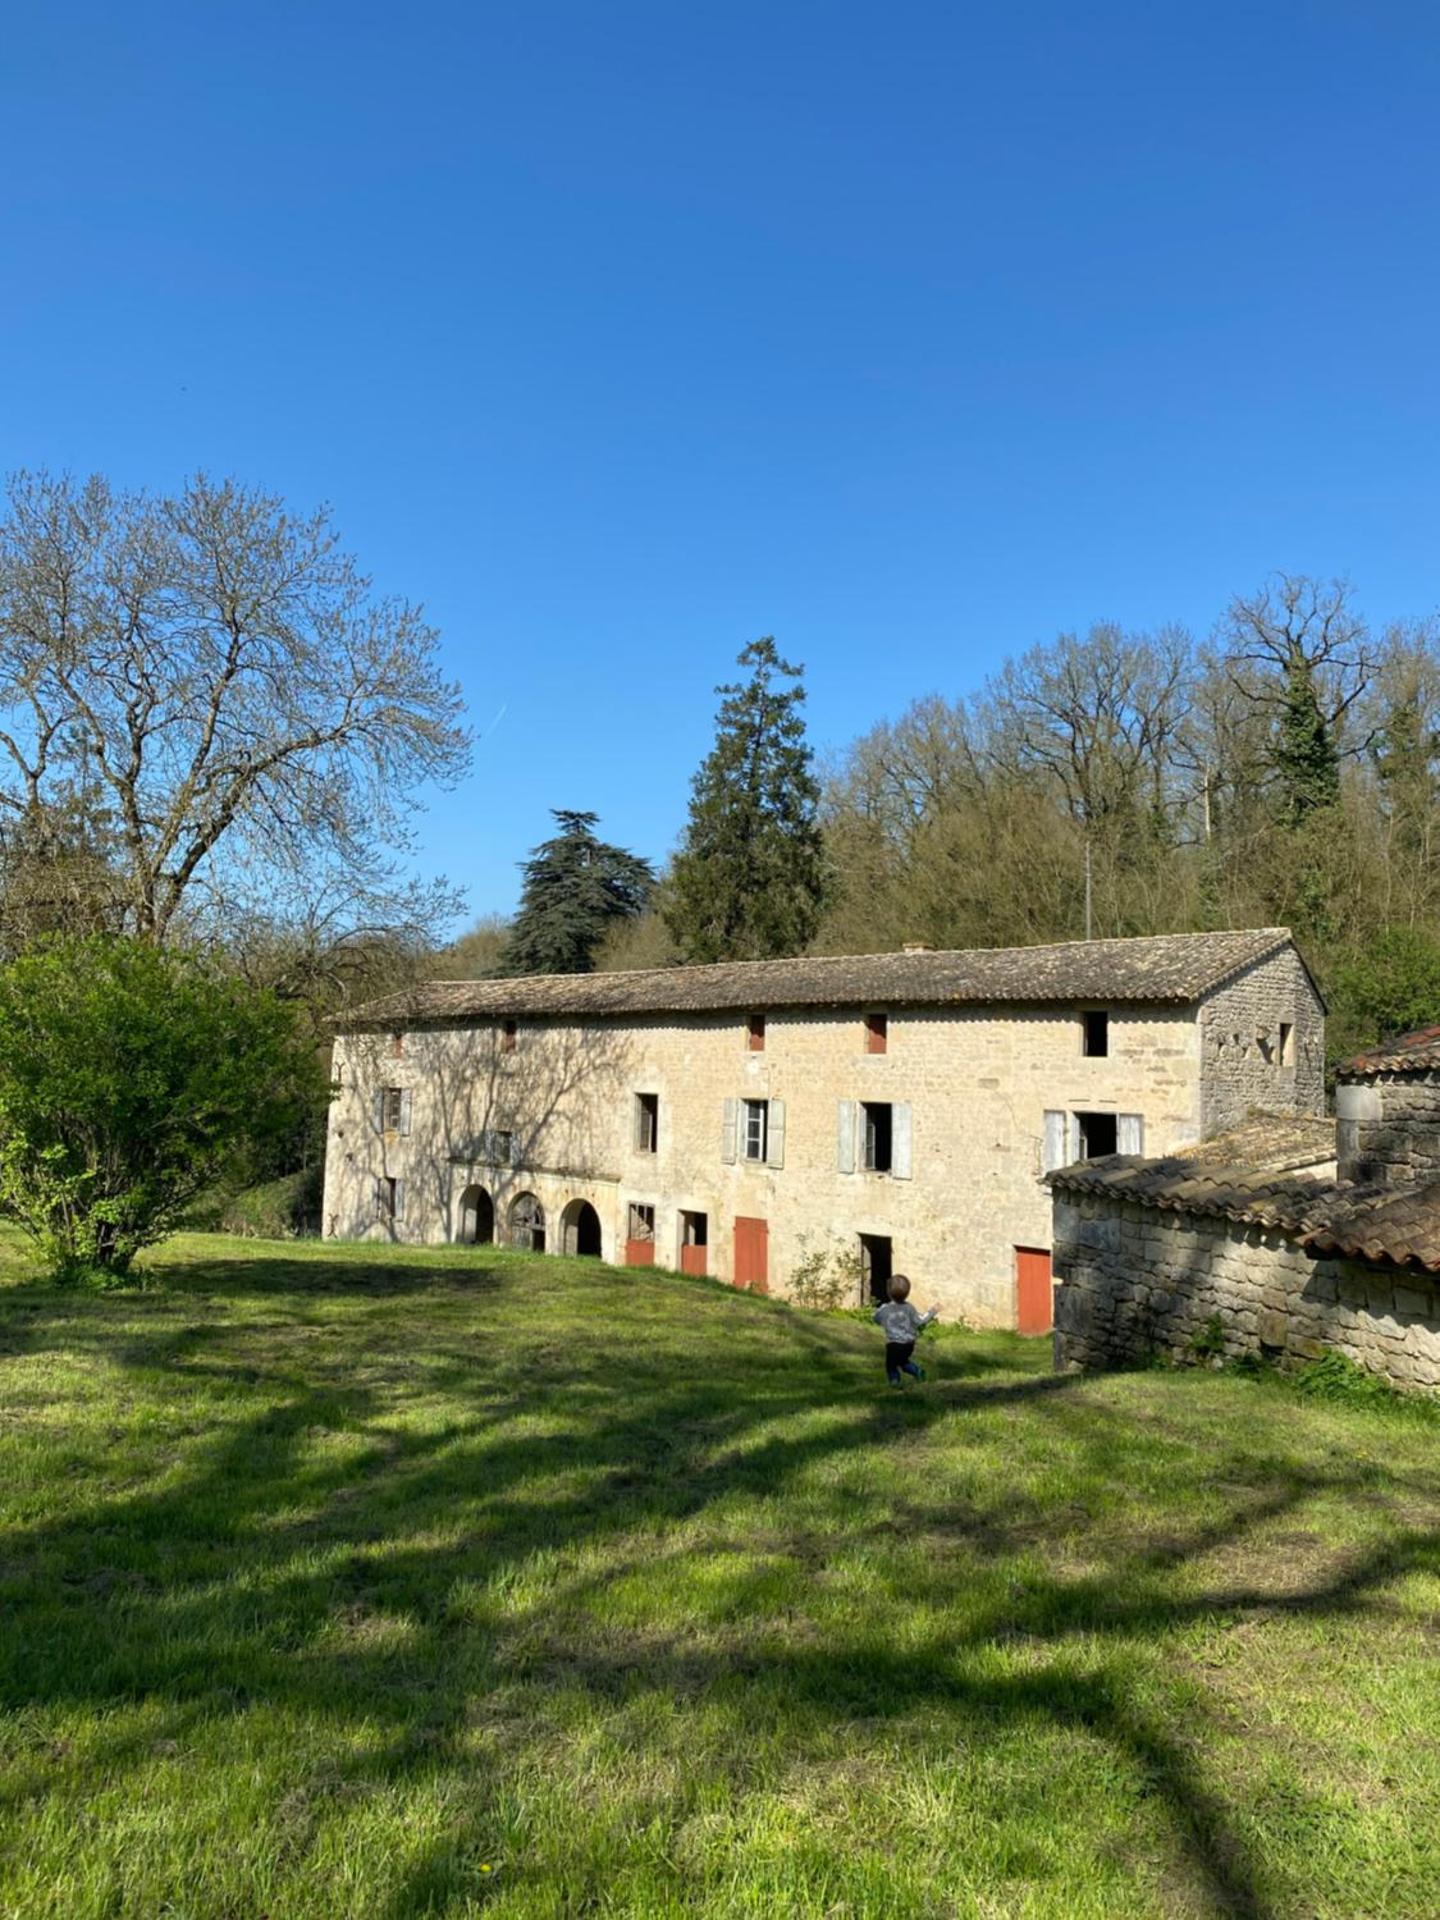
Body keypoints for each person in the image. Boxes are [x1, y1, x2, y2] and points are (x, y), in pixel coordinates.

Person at [872, 1273, 938, 1386]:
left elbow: (876, 1318)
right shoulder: (910, 1308)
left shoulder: (885, 1309)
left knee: (891, 1365)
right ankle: (917, 1371)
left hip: (894, 1344)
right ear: (907, 1293)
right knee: (902, 1361)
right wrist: (932, 1311)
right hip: (909, 1344)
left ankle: (895, 1381)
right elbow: (920, 1320)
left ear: (888, 1292)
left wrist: (881, 1320)